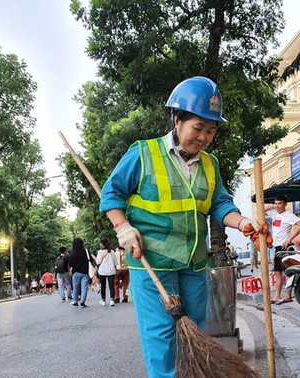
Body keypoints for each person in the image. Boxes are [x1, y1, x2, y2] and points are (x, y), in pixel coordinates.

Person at [100, 76, 258, 377]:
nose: (204, 137)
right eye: (198, 128)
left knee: (193, 329)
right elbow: (111, 193)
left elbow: (220, 204)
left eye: (210, 131)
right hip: (153, 261)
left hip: (194, 263)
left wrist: (243, 222)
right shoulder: (143, 153)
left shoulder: (210, 164)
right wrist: (122, 227)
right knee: (161, 336)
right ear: (177, 119)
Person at [265, 194, 300, 305]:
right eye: (276, 203)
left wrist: (290, 238)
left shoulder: (289, 216)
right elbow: (262, 209)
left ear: (285, 204)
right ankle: (277, 296)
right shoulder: (274, 214)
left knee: (287, 272)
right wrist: (273, 206)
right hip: (276, 247)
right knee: (277, 272)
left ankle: (288, 295)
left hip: (285, 247)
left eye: (280, 203)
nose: (277, 206)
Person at [69, 237, 92, 308]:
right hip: (85, 272)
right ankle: (82, 302)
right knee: (84, 288)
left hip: (75, 273)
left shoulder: (72, 253)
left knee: (75, 288)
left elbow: (71, 264)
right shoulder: (86, 251)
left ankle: (75, 301)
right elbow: (90, 260)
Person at [96, 237, 117, 307]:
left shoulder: (100, 252)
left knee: (103, 286)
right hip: (111, 270)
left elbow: (98, 261)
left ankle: (103, 300)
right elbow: (115, 262)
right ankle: (112, 300)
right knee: (111, 286)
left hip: (102, 271)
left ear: (102, 244)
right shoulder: (112, 252)